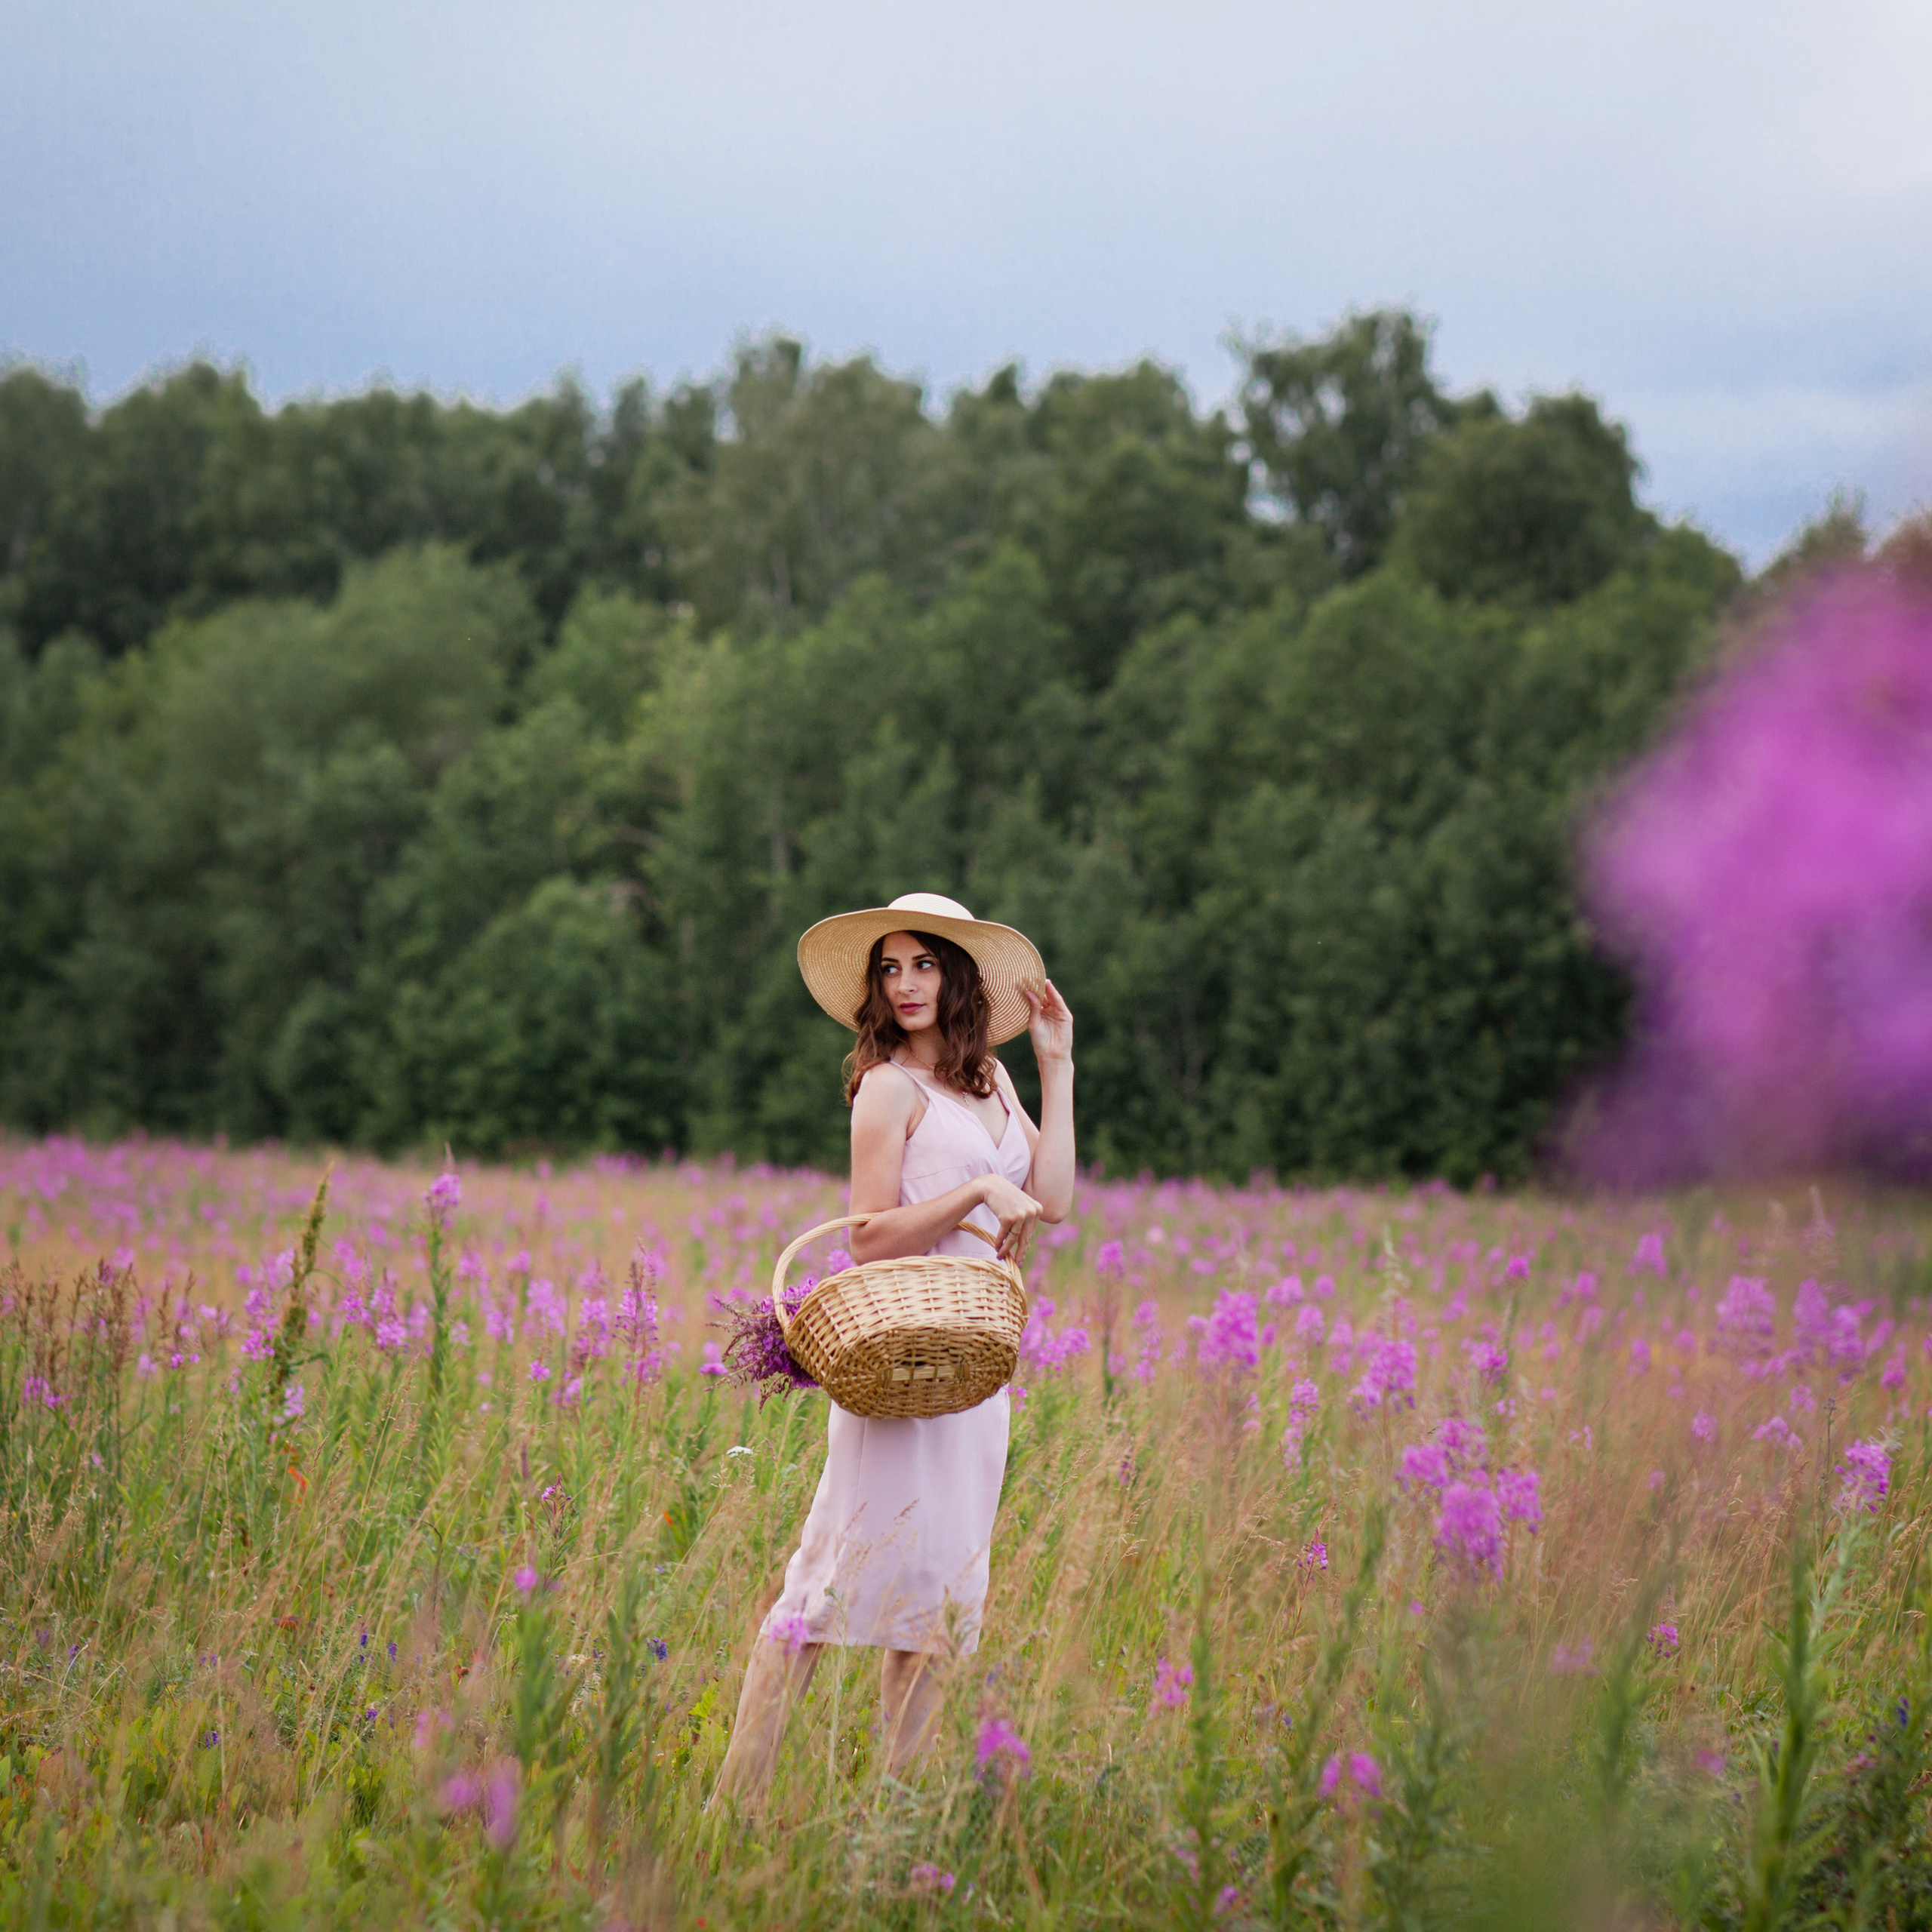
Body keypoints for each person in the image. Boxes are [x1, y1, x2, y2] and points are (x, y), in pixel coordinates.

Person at [712, 892, 1075, 1809]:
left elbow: (1058, 1198)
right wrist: (973, 1194)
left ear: (957, 975)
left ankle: (891, 1824)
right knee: (824, 1590)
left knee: (937, 1609)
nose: (906, 983)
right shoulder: (886, 1087)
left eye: (922, 963)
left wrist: (1055, 1066)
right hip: (894, 1364)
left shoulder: (988, 1079)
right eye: (890, 967)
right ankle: (733, 1806)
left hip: (973, 1372)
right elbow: (868, 1240)